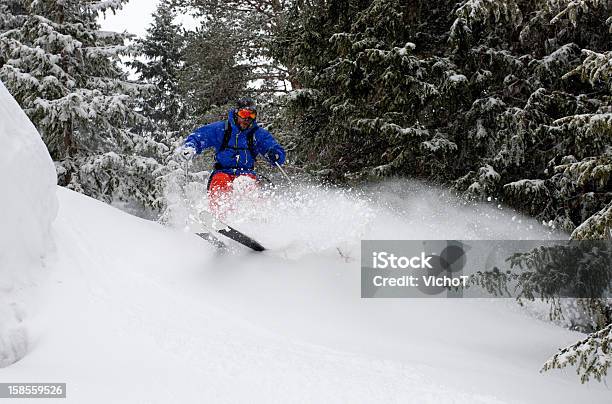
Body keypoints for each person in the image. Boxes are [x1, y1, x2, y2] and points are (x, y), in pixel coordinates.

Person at [177, 97, 286, 211]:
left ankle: (251, 218)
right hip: (223, 171)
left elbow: (271, 146)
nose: (247, 119)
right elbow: (201, 136)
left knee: (245, 184)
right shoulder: (222, 129)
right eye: (244, 114)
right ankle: (219, 217)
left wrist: (275, 154)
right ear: (236, 113)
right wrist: (191, 146)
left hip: (246, 172)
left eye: (251, 115)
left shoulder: (257, 133)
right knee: (220, 182)